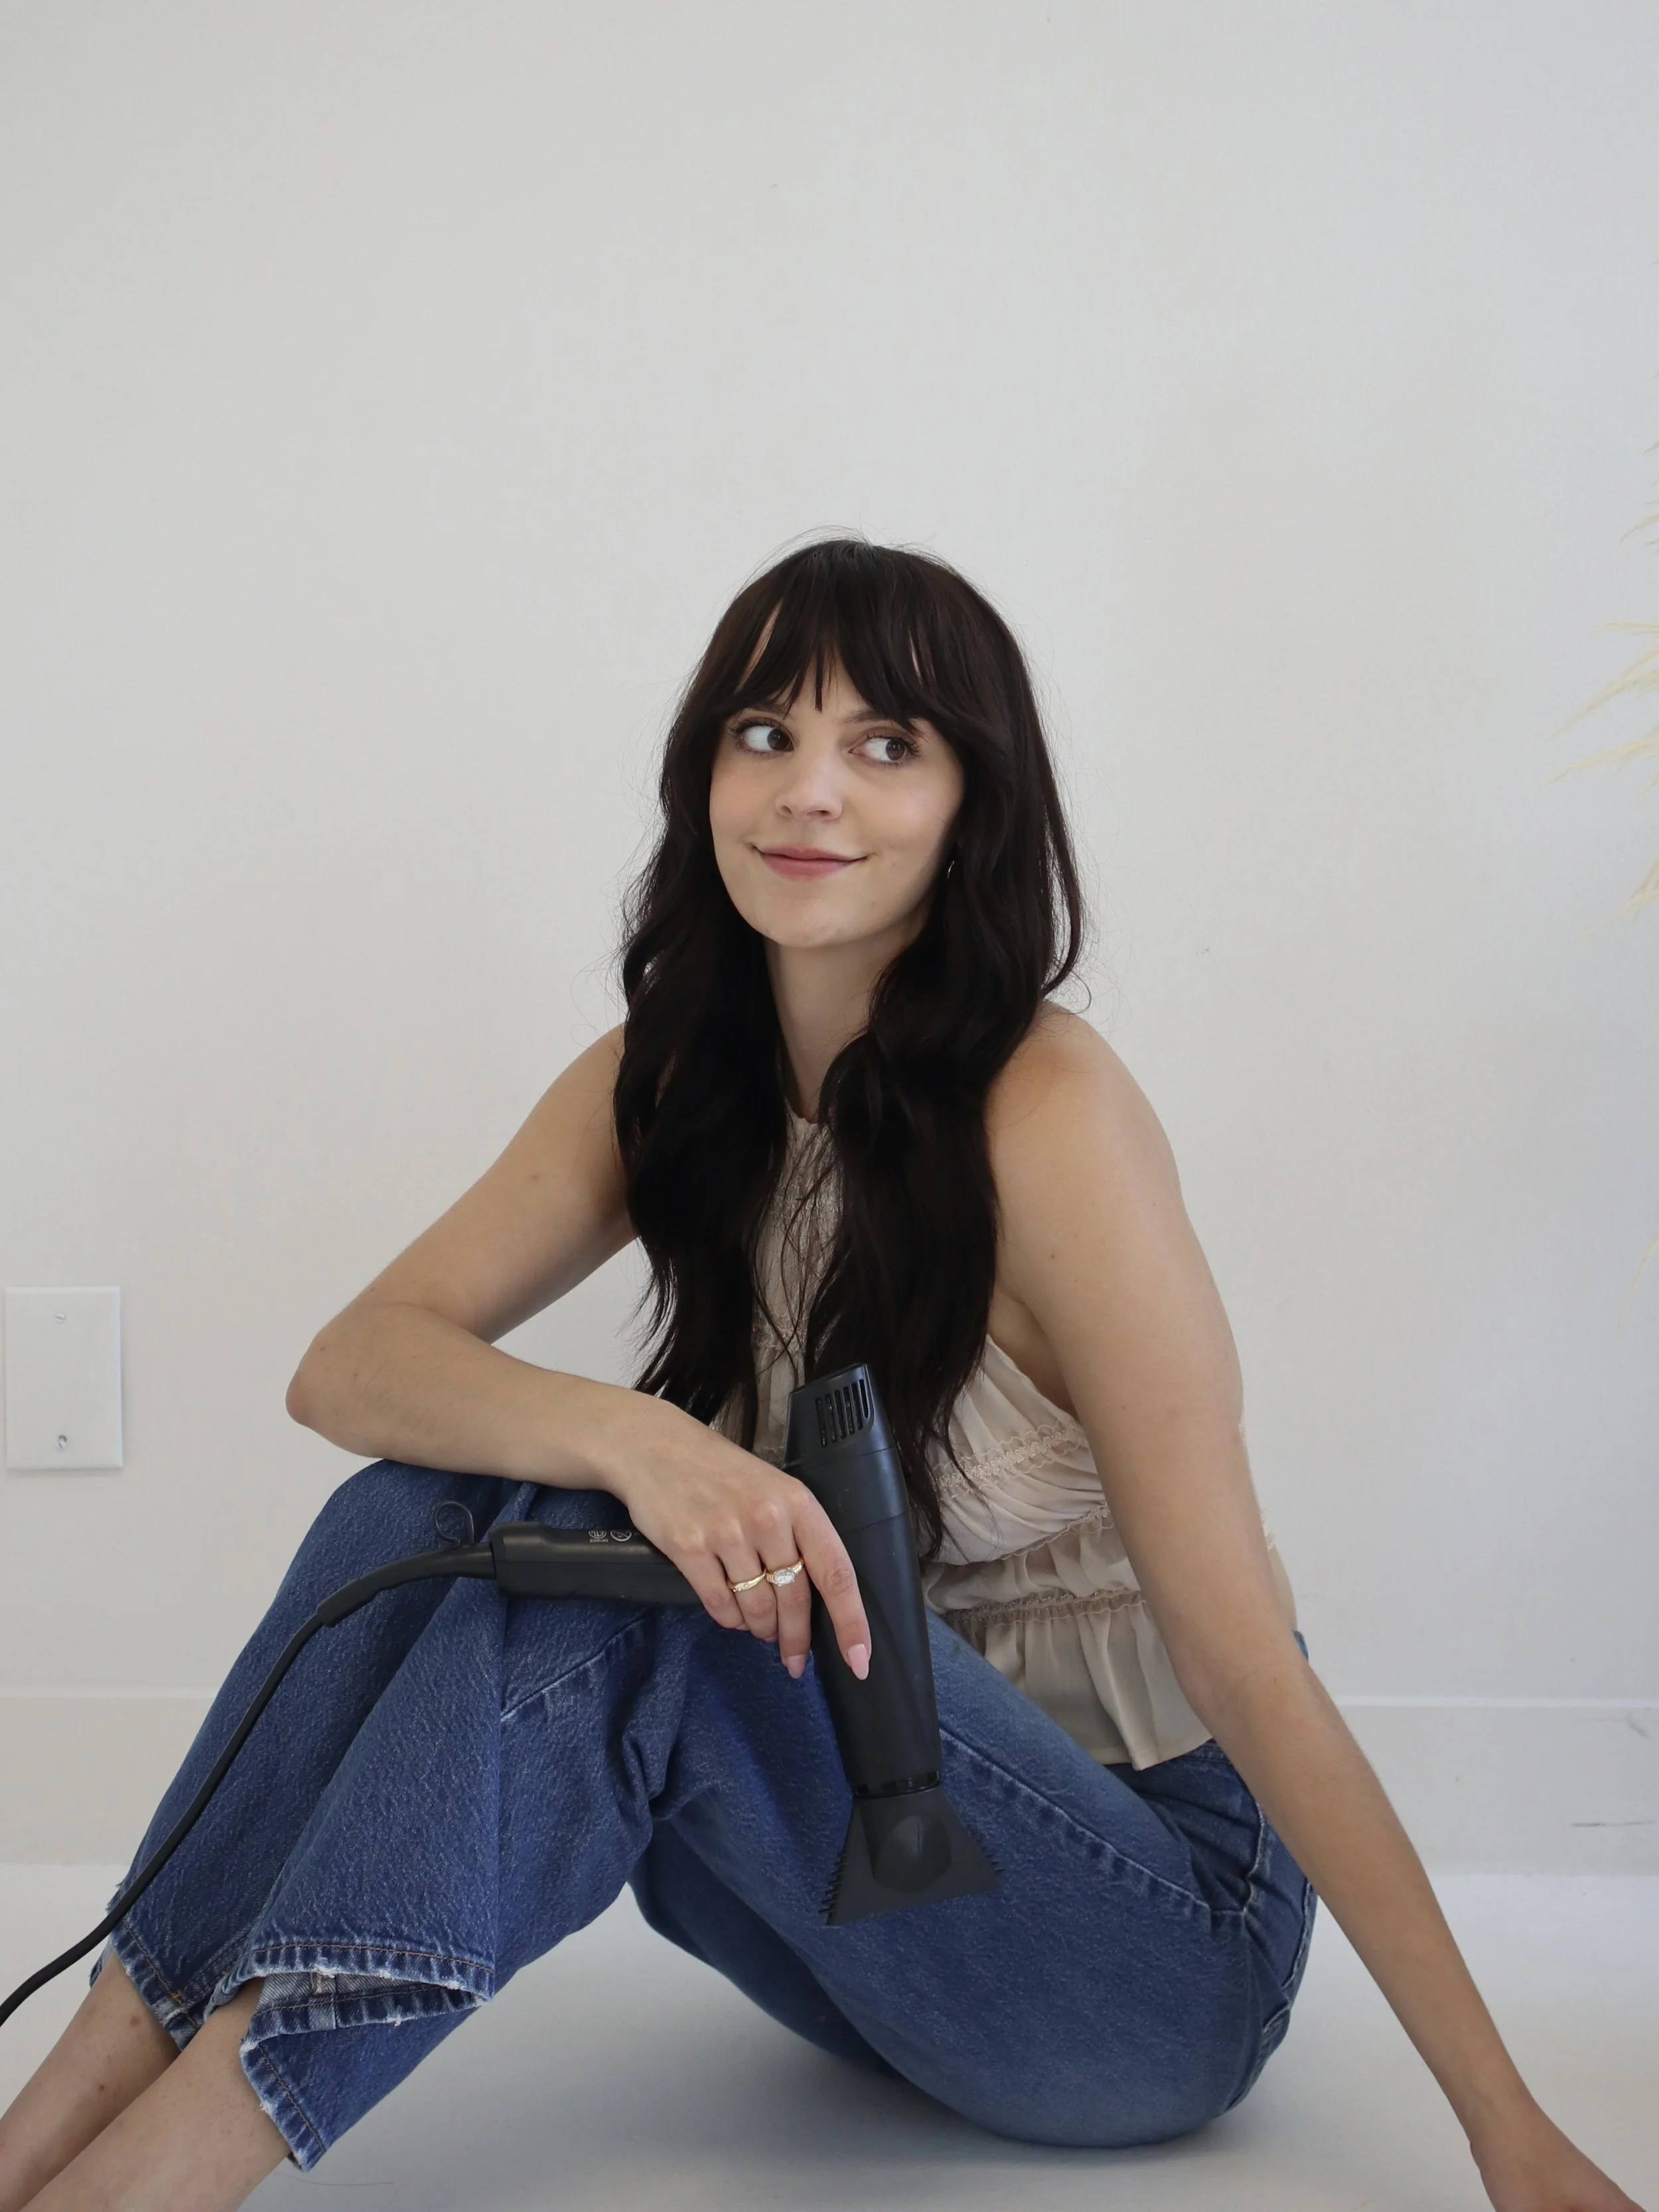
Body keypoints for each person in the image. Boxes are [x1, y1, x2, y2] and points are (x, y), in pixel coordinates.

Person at [0, 541, 1641, 2212]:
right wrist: (644, 1442)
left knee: (681, 1606)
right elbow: (351, 1362)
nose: (808, 792)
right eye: (763, 732)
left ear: (968, 802)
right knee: (421, 1506)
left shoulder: (1049, 1119)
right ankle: (45, 2131)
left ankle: (154, 2178)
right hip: (862, 1889)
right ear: (702, 770)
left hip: (1146, 1940)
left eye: (885, 744)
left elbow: (1245, 1665)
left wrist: (1504, 2127)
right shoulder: (671, 1074)